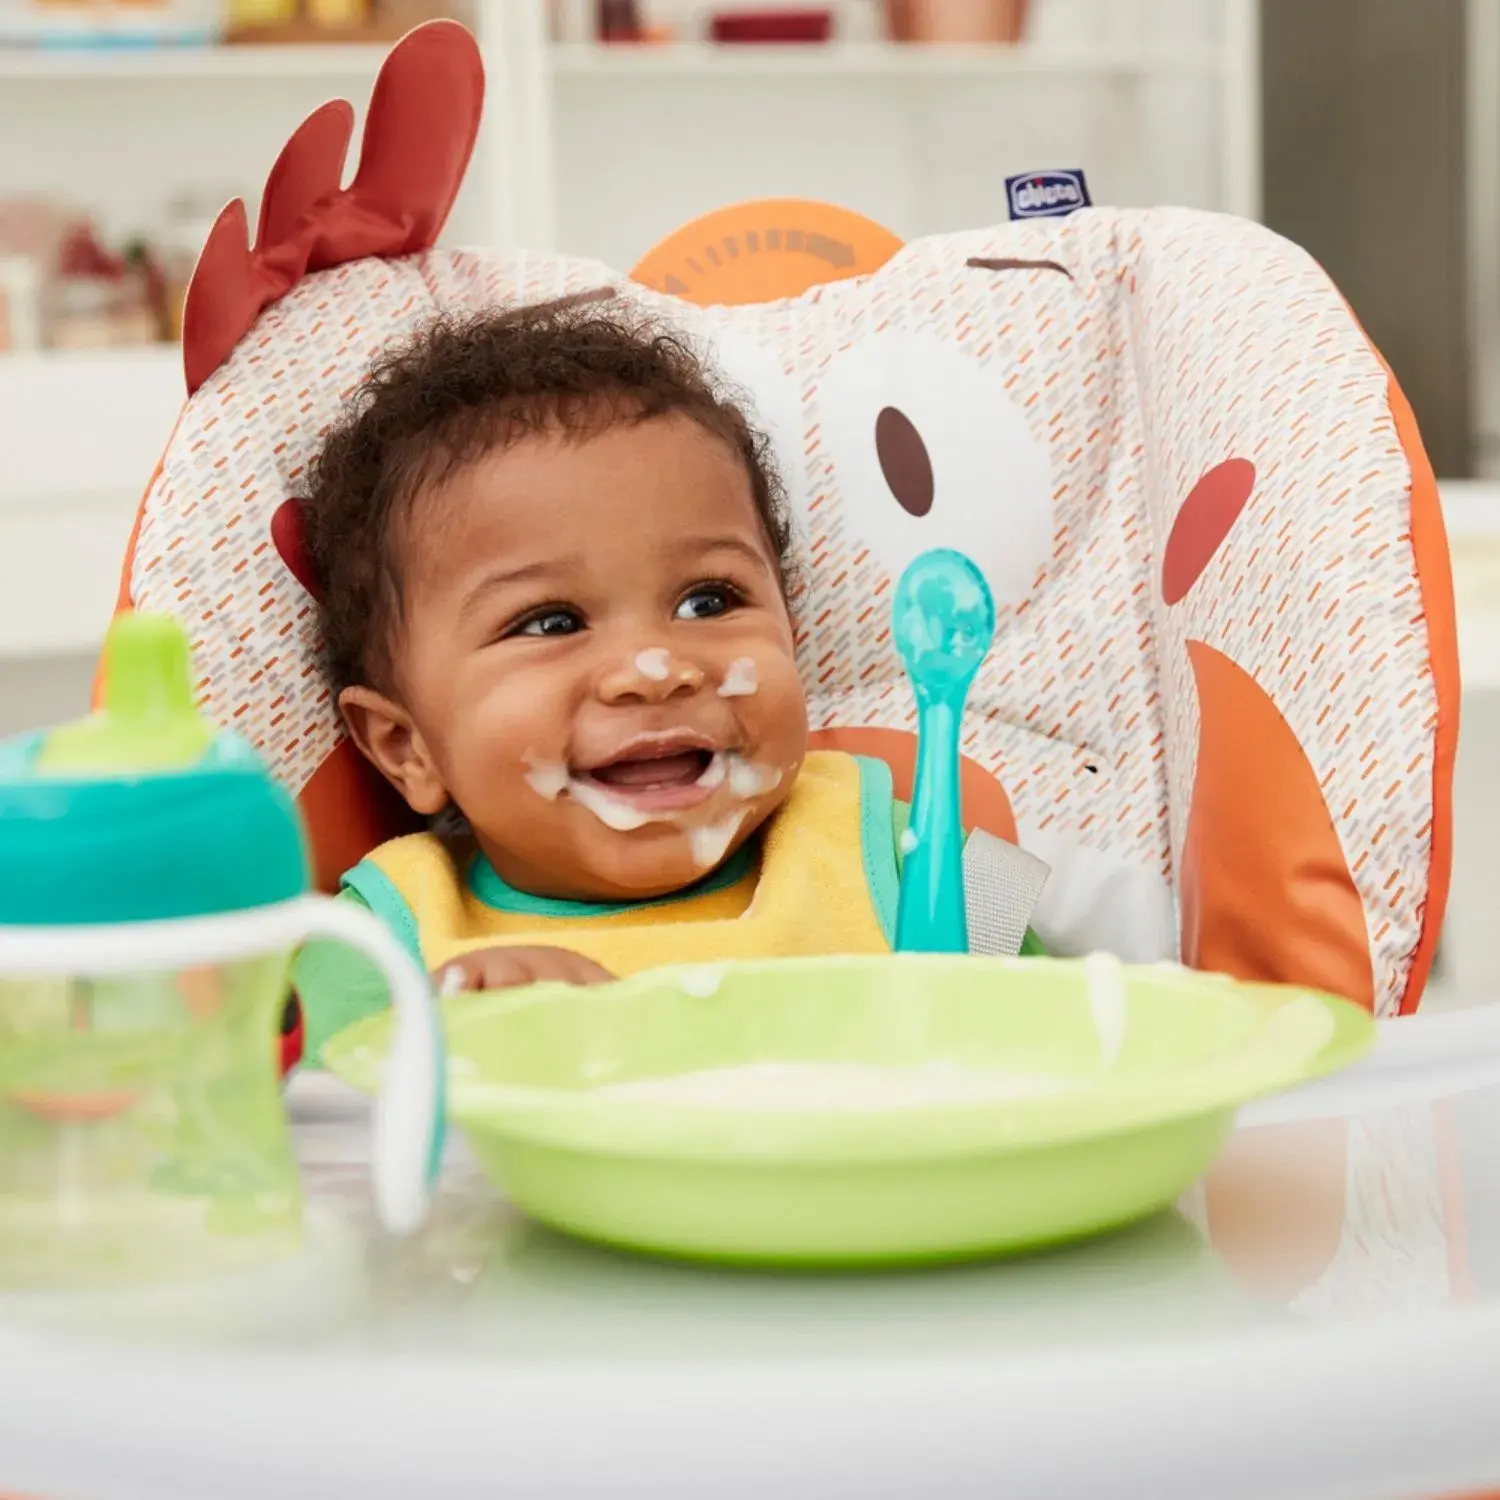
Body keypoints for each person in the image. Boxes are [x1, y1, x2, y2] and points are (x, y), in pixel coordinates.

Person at [290, 298, 1045, 1064]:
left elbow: (1072, 1053)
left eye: (707, 602)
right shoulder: (384, 949)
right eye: (551, 622)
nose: (652, 671)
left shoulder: (905, 858)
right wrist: (472, 1058)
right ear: (407, 747)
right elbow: (311, 1135)